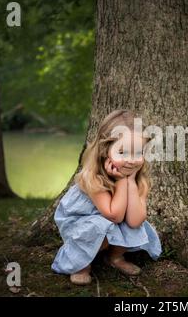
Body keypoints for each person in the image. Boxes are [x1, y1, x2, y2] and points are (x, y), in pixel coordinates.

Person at [51, 109, 162, 285]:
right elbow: (114, 215)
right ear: (105, 150)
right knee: (99, 226)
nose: (131, 160)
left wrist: (130, 183)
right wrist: (120, 181)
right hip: (83, 223)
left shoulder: (139, 180)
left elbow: (135, 221)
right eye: (123, 152)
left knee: (135, 225)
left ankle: (115, 258)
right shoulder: (93, 177)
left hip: (112, 222)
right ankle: (81, 264)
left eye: (138, 152)